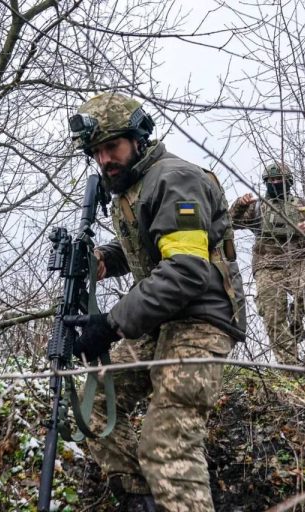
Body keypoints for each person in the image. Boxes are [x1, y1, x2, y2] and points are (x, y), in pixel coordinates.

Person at [66, 92, 246, 512]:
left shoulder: (174, 178)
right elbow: (151, 248)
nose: (104, 159)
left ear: (139, 139)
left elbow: (185, 270)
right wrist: (103, 261)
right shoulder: (132, 188)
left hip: (201, 318)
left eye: (112, 147)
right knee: (92, 411)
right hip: (161, 319)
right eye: (96, 152)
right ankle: (142, 499)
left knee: (166, 444)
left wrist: (110, 324)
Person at [229, 162, 305, 365]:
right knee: (273, 315)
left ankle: (295, 322)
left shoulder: (303, 205)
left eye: (278, 180)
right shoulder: (257, 207)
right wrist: (239, 204)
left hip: (297, 260)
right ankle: (291, 367)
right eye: (270, 180)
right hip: (267, 264)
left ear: (288, 182)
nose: (274, 183)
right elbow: (230, 223)